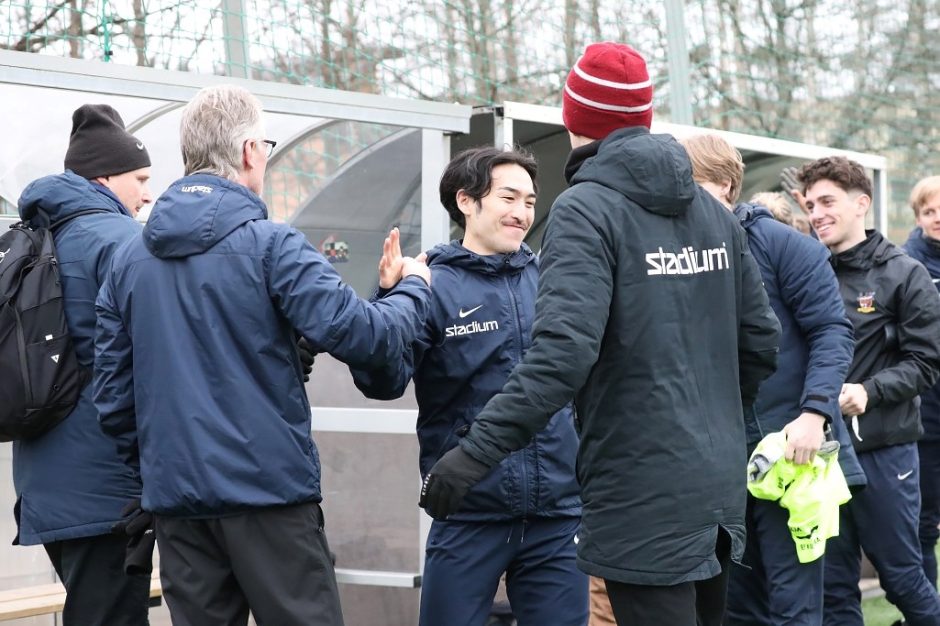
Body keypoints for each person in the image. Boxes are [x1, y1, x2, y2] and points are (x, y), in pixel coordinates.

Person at [418, 42, 781, 626]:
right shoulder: (714, 213)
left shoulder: (585, 209)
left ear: (573, 119)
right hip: (715, 483)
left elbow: (563, 354)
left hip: (639, 487)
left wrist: (474, 454)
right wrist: (714, 422)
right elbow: (761, 340)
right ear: (644, 116)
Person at [92, 84, 432, 626]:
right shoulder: (273, 245)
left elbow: (113, 400)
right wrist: (411, 287)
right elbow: (372, 340)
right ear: (250, 151)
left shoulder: (127, 260)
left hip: (178, 507)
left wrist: (165, 470)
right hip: (271, 498)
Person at [351, 146, 587, 625]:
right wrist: (389, 298)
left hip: (558, 514)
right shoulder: (430, 283)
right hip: (468, 509)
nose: (522, 213)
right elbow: (382, 382)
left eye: (529, 201)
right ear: (466, 201)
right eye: (508, 198)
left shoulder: (552, 279)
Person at [682, 134, 862, 626]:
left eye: (692, 184)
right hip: (718, 463)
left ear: (726, 185)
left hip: (792, 454)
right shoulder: (674, 252)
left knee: (795, 605)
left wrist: (814, 414)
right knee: (735, 607)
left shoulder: (784, 245)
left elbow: (832, 332)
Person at [12, 104, 153, 626]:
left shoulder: (37, 237)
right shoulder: (120, 241)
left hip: (46, 476)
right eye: (140, 179)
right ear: (105, 178)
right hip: (106, 483)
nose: (146, 194)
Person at [794, 157, 940, 625]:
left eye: (827, 201)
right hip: (822, 457)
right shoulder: (807, 269)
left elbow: (927, 362)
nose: (817, 213)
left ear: (862, 204)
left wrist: (869, 392)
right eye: (810, 205)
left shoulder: (904, 272)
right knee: (834, 590)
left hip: (885, 450)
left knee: (902, 579)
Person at [903, 175, 940, 588]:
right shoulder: (906, 265)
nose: (937, 218)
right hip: (926, 414)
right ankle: (927, 611)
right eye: (929, 211)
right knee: (924, 524)